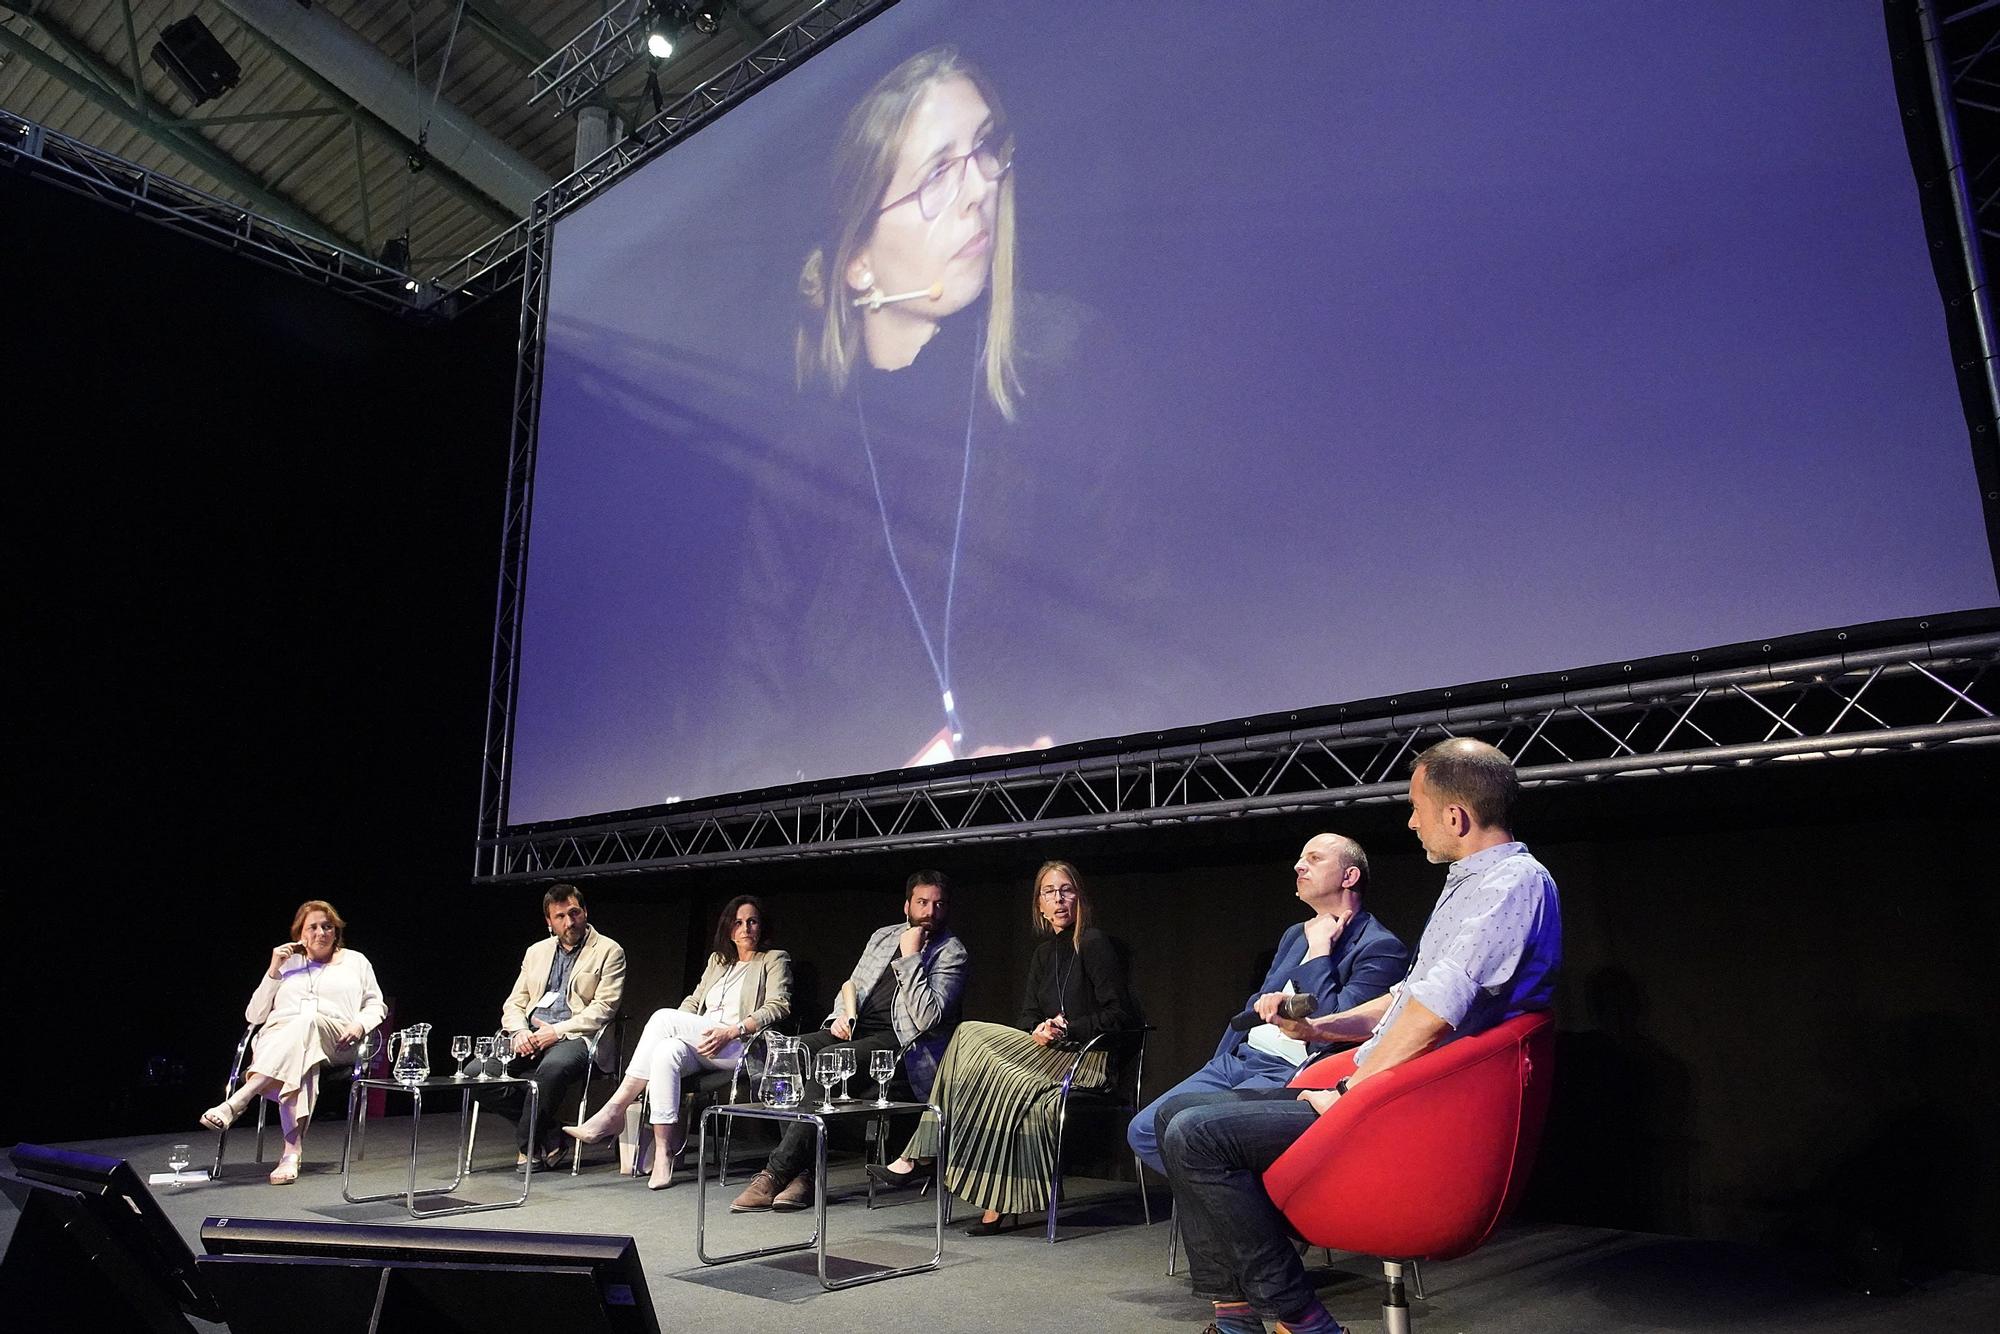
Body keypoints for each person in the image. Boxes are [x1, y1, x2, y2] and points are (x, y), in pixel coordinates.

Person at [1161, 738, 1563, 1334]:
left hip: (1408, 1110)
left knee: (1197, 1137)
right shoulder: (1473, 883)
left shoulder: (1511, 884)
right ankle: (1236, 1317)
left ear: (1454, 816)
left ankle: (1303, 1321)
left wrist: (1352, 1094)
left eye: (1415, 808)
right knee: (1187, 1115)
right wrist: (1319, 1026)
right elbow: (1404, 1001)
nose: (1411, 821)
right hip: (1381, 1091)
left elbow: (1432, 1016)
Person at [870, 860, 1139, 1233]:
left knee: (966, 1033)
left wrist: (1068, 1027)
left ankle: (920, 1153)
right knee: (980, 1079)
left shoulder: (1093, 943)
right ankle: (962, 1179)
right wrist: (1040, 1030)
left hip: (1086, 1061)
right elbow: (1027, 1018)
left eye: (1066, 890)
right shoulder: (1043, 955)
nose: (1058, 900)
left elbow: (1120, 1016)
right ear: (1039, 905)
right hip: (1047, 1054)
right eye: (1049, 892)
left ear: (1080, 898)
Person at [1127, 833, 1408, 1176]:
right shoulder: (1295, 934)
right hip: (1238, 1062)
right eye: (1301, 859)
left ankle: (1240, 1218)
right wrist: (1221, 1060)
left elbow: (1332, 1026)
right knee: (1143, 1130)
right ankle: (1227, 1207)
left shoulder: (1379, 947)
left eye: (1315, 859)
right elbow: (1257, 1003)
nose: (1299, 865)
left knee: (1193, 1130)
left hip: (1287, 1072)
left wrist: (1320, 951)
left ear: (1349, 877)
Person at [730, 870, 969, 1212]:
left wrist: (911, 958)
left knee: (831, 1058)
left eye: (938, 904)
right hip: (858, 1029)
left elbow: (927, 1019)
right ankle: (802, 1176)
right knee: (793, 1050)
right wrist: (840, 1016)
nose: (930, 911)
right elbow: (852, 985)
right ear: (907, 905)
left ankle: (774, 1173)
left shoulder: (952, 953)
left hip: (902, 1045)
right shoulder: (883, 936)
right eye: (922, 902)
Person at [562, 896, 792, 1189]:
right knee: (665, 1052)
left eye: (752, 921)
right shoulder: (718, 962)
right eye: (738, 922)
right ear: (728, 929)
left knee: (662, 1019)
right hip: (703, 1043)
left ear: (761, 926)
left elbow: (778, 1006)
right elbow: (695, 1000)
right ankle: (664, 1153)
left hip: (741, 1045)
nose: (745, 928)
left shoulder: (773, 959)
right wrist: (680, 1027)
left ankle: (613, 1111)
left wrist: (732, 1030)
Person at [200, 901, 386, 1185]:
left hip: (335, 1037)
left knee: (307, 1023)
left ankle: (239, 1100)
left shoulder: (356, 961)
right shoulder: (287, 964)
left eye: (327, 927)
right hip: (279, 1037)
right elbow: (255, 1015)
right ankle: (291, 1153)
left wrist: (359, 1024)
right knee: (301, 1049)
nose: (321, 932)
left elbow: (376, 1004)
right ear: (300, 933)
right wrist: (274, 970)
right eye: (313, 927)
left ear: (336, 932)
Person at [496, 884, 626, 1168]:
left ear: (585, 912)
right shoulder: (536, 952)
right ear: (549, 922)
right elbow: (514, 1002)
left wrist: (555, 1031)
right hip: (530, 1036)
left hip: (578, 1037)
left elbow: (604, 1009)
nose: (569, 922)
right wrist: (519, 1032)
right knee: (479, 1074)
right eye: (560, 917)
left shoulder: (608, 951)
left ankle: (528, 1147)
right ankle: (551, 1132)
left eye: (574, 913)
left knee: (551, 1070)